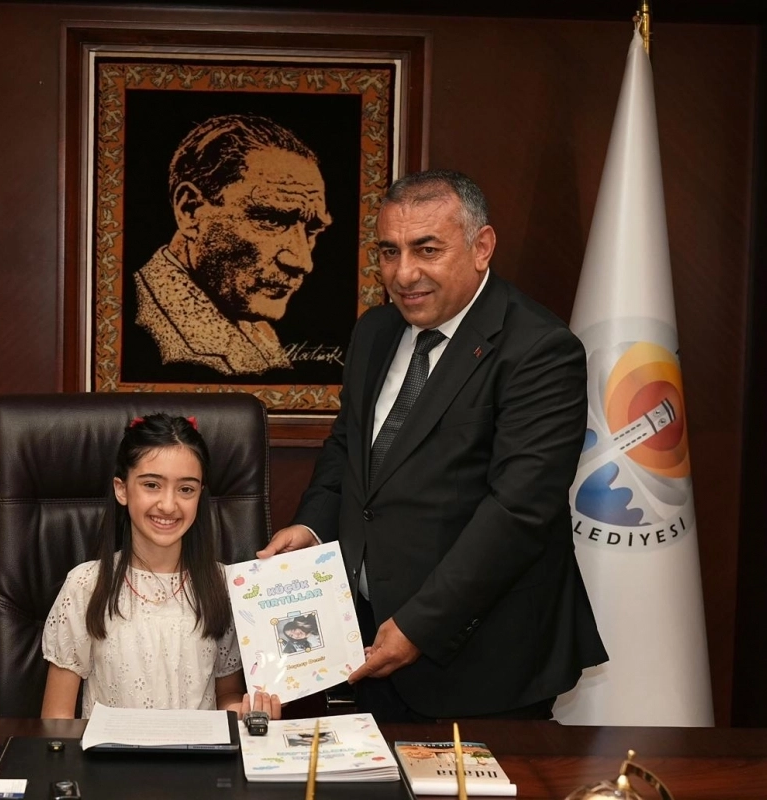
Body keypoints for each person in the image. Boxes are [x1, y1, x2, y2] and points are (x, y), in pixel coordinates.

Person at [257, 169, 607, 721]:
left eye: (427, 250)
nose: (404, 273)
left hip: (481, 662)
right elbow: (348, 448)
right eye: (389, 252)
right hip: (369, 642)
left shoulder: (539, 349)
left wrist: (421, 625)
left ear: (481, 247)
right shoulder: (375, 331)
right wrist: (313, 526)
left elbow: (519, 511)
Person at [41, 413, 281, 719]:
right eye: (152, 485)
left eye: (186, 489)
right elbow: (57, 718)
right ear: (122, 489)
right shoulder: (87, 585)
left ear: (200, 495)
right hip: (111, 751)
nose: (168, 505)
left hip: (201, 750)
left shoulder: (224, 585)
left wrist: (247, 712)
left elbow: (227, 694)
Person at [133, 113, 333, 376]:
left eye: (311, 230)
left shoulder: (250, 321)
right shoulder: (147, 335)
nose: (303, 262)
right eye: (271, 220)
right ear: (190, 210)